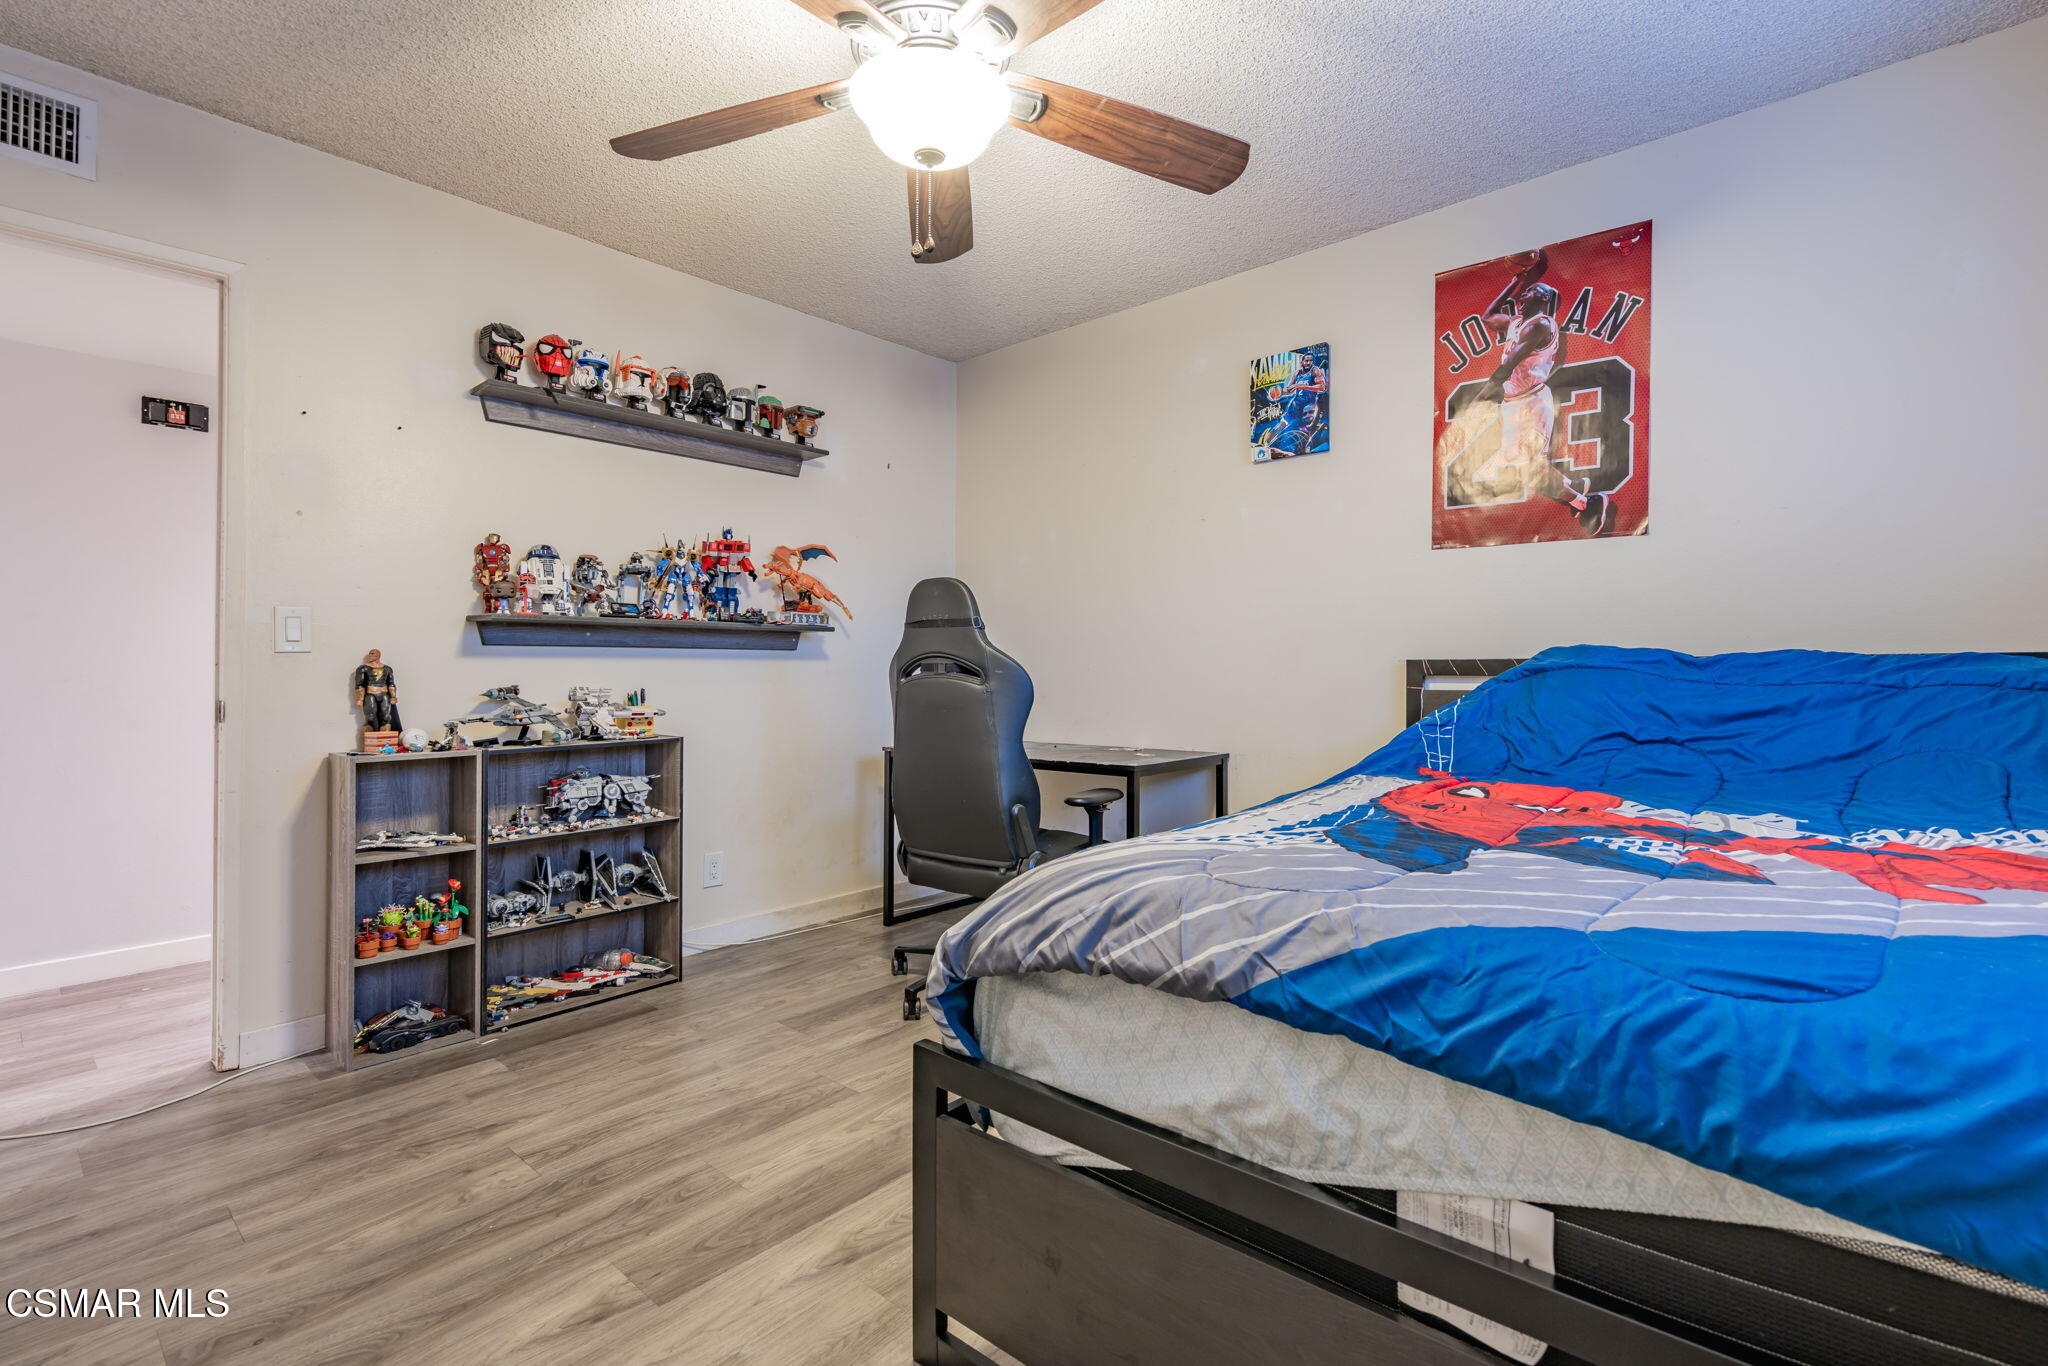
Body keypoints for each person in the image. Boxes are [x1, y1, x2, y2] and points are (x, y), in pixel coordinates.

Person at [1471, 250, 1610, 535]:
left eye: (1531, 293)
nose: (1523, 298)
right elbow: (1487, 317)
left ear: (1544, 300)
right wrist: (1517, 281)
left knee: (1529, 470)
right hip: (1513, 403)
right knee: (1527, 463)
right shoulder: (1516, 323)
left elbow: (1508, 365)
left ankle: (1587, 503)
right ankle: (1575, 487)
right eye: (1523, 295)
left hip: (1530, 404)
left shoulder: (1542, 324)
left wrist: (1482, 395)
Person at [353, 649, 401, 735]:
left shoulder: (387, 668)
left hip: (384, 694)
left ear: (378, 655)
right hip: (370, 694)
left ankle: (384, 739)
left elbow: (391, 683)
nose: (370, 655)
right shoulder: (363, 668)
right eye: (370, 653)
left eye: (372, 653)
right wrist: (360, 698)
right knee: (370, 717)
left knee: (386, 717)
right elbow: (359, 684)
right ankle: (371, 738)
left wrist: (393, 697)